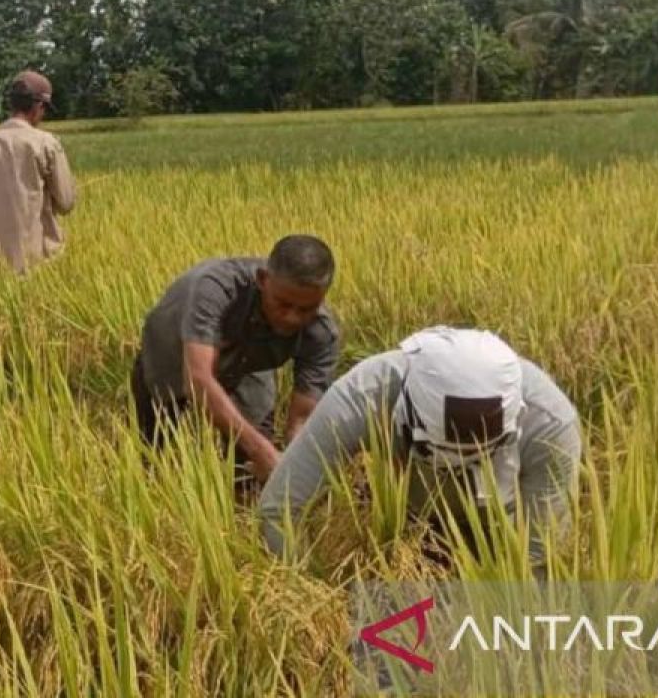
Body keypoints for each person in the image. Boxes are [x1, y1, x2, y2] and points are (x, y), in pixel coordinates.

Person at [259, 327, 580, 577]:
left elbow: (538, 557)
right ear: (408, 410)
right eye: (433, 450)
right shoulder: (363, 396)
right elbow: (280, 508)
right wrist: (320, 599)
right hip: (405, 521)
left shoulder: (550, 425)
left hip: (501, 528)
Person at [131, 235, 341, 489]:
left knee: (253, 456)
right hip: (174, 351)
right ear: (263, 280)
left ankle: (242, 507)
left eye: (306, 309)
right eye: (283, 304)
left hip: (248, 364)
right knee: (154, 439)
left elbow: (302, 418)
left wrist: (290, 463)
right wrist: (258, 448)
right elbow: (198, 381)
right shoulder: (216, 290)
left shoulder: (321, 333)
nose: (293, 318)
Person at [0, 70, 76, 272]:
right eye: (44, 110)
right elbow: (66, 203)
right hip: (32, 267)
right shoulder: (45, 144)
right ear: (38, 106)